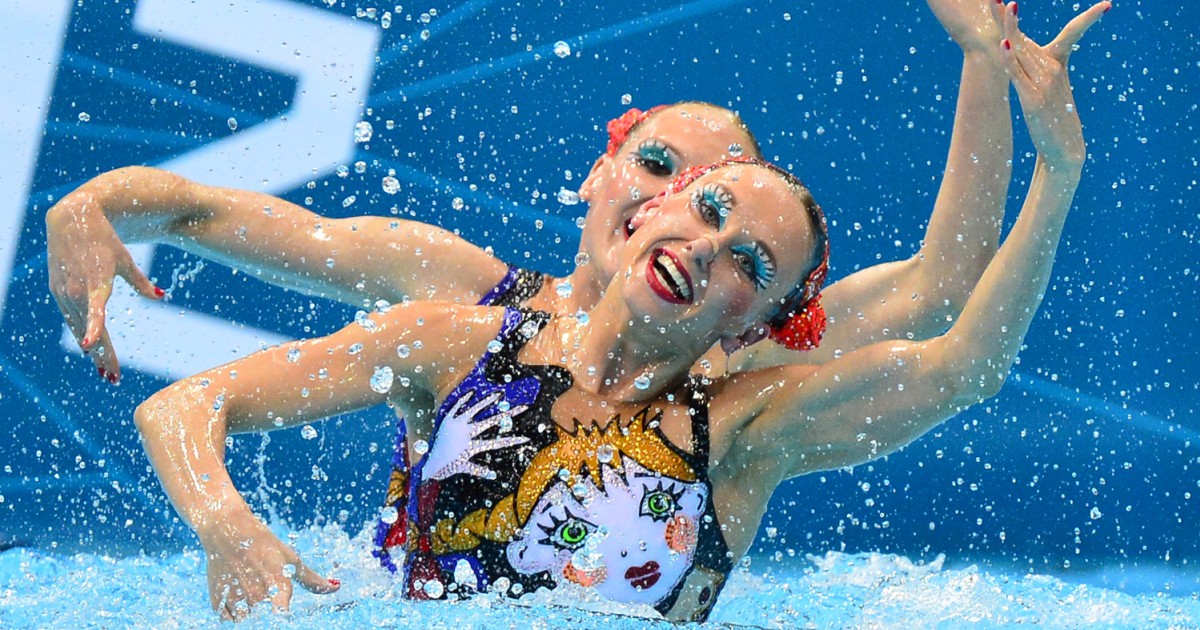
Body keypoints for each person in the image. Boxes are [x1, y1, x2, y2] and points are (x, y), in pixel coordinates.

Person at [129, 2, 1110, 621]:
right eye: (691, 195)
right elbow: (184, 396)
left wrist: (1038, 137)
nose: (701, 240)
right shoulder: (457, 321)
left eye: (747, 262)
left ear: (755, 321)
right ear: (635, 193)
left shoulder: (740, 421)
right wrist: (228, 525)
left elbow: (958, 336)